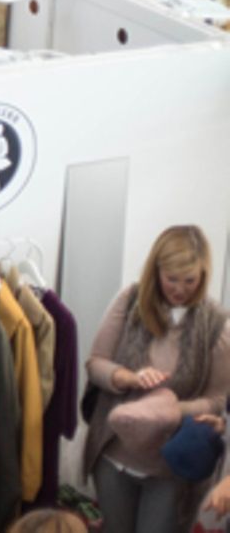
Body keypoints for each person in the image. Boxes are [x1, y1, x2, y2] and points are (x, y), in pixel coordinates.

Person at [84, 226, 230, 533]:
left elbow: (217, 400)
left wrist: (167, 410)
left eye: (189, 280)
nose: (180, 289)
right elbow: (95, 364)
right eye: (171, 278)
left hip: (170, 466)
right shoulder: (130, 301)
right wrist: (128, 378)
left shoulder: (217, 324)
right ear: (156, 270)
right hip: (114, 453)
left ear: (203, 275)